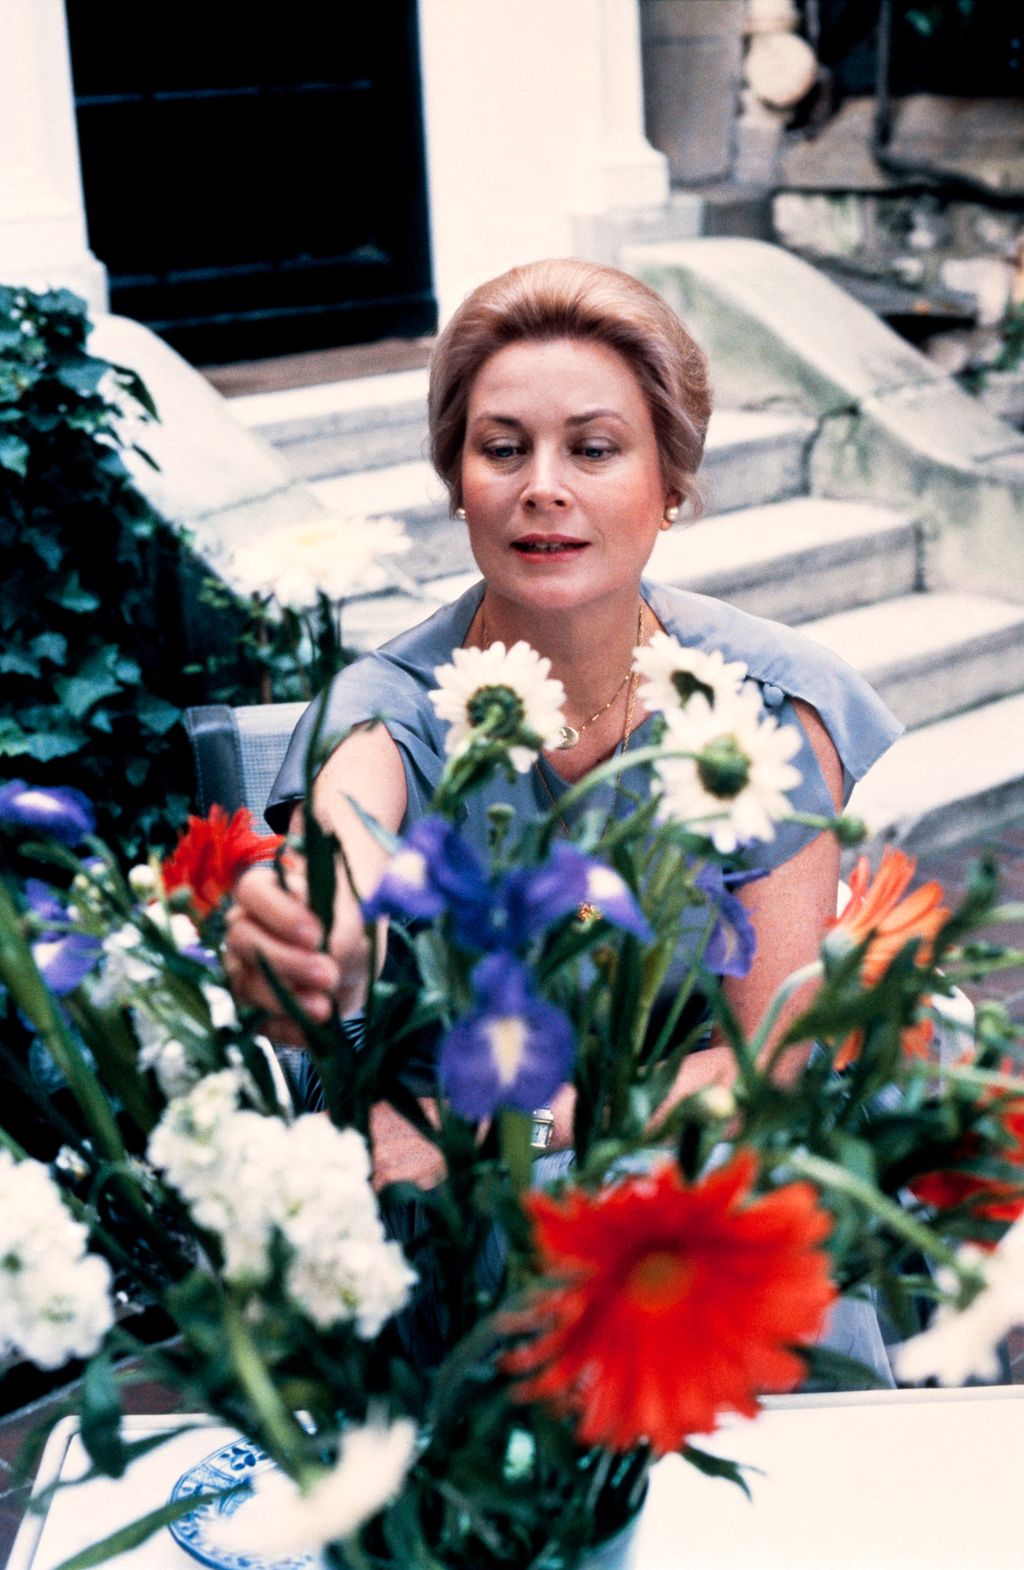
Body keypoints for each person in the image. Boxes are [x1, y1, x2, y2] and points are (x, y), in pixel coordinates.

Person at [225, 258, 902, 1373]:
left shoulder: (769, 704)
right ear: (457, 481)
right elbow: (338, 867)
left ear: (670, 479)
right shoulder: (386, 710)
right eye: (502, 449)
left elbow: (771, 1061)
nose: (542, 487)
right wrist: (309, 940)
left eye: (593, 449)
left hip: (702, 1169)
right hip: (466, 1220)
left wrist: (530, 1123)